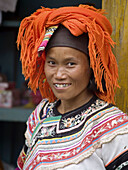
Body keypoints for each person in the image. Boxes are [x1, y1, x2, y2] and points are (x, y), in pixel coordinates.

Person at [16, 4, 128, 170]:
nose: (59, 74)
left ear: (91, 66)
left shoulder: (112, 128)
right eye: (52, 63)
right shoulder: (40, 115)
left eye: (70, 64)